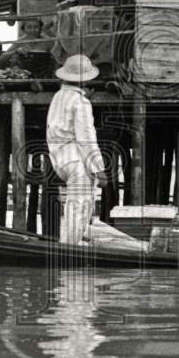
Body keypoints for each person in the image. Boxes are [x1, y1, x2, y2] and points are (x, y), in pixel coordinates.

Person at [46, 54, 105, 244]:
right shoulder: (81, 102)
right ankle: (69, 248)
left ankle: (70, 243)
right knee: (79, 207)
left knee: (74, 206)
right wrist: (99, 169)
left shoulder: (57, 97)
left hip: (59, 160)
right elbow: (86, 138)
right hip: (76, 161)